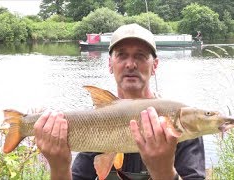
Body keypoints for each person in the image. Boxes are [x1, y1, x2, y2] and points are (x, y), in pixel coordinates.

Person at [34, 23, 205, 180]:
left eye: (140, 56)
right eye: (122, 55)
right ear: (110, 64)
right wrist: (59, 168)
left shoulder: (178, 122)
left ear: (155, 65)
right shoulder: (96, 122)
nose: (130, 64)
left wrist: (164, 173)